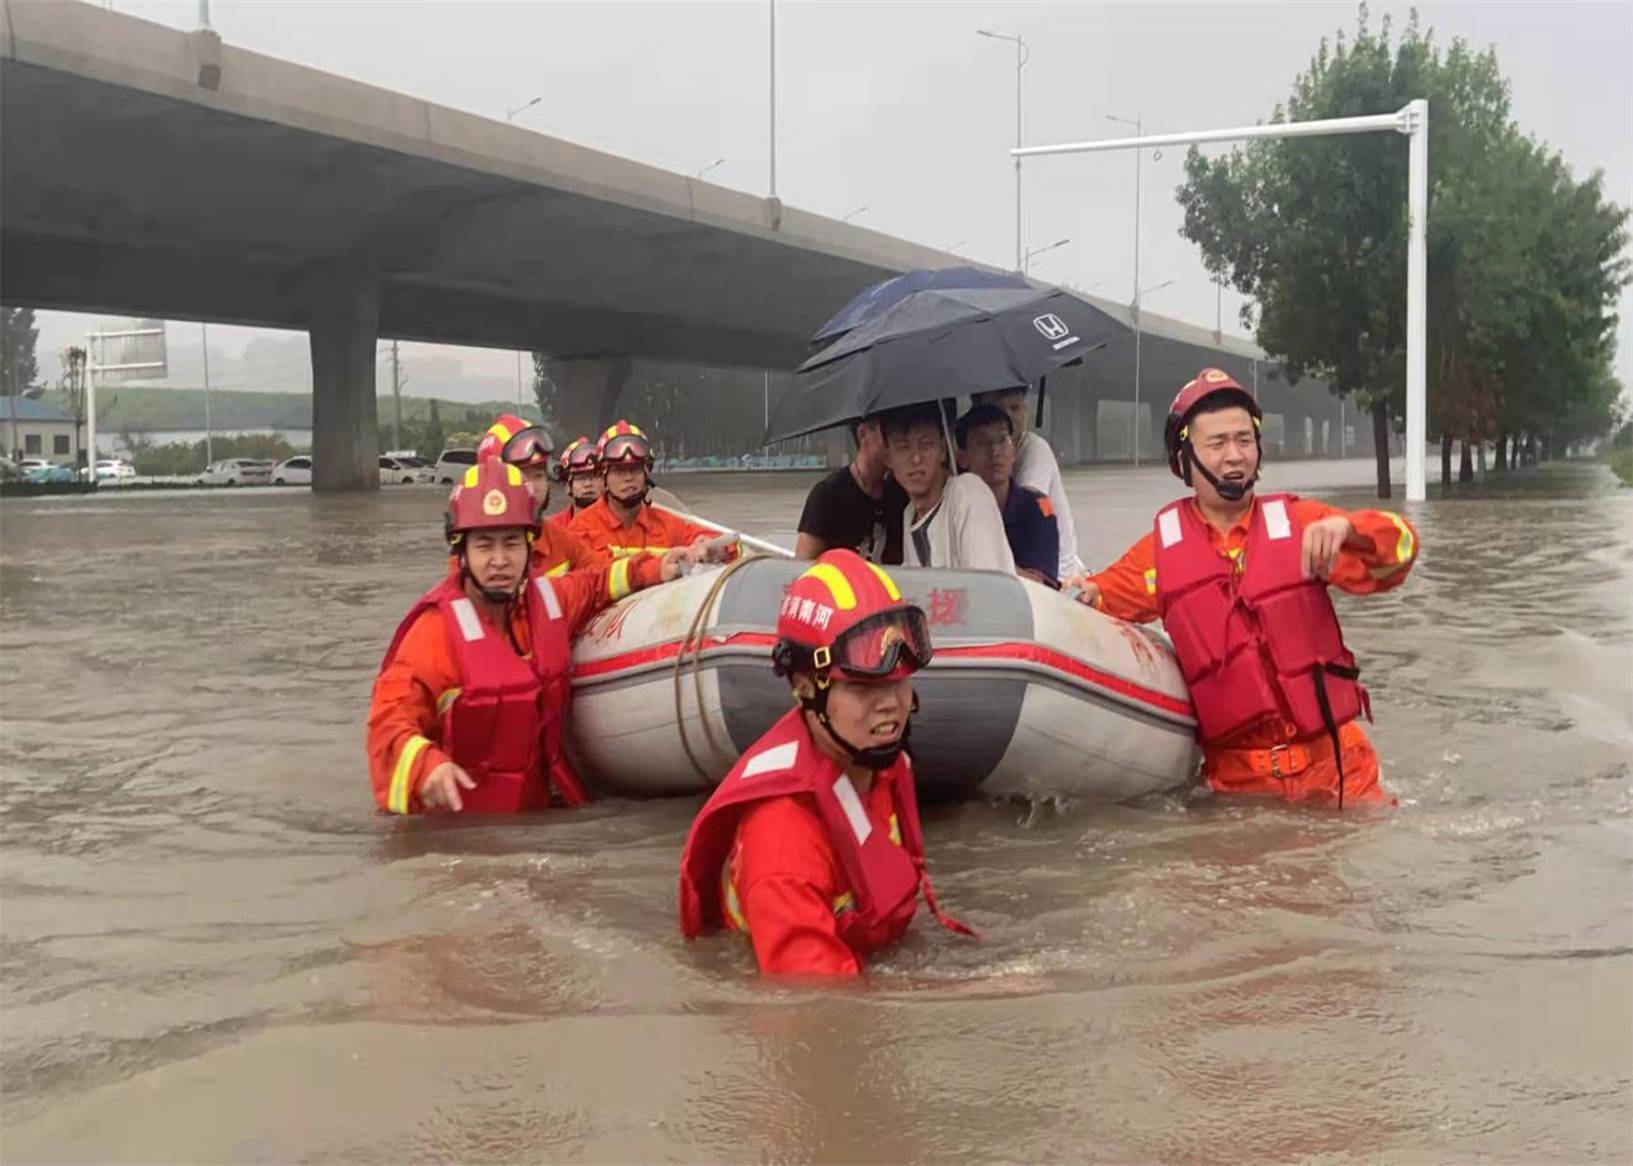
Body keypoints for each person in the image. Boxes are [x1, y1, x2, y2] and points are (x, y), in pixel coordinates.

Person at [1068, 368, 1420, 807]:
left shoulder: (1304, 524)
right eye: (1217, 444)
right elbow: (1094, 606)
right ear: (1184, 458)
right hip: (1237, 789)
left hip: (1339, 770)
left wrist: (1353, 530)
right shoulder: (1158, 555)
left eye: (1244, 440)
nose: (1234, 455)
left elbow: (1401, 550)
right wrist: (1074, 594)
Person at [679, 550, 973, 976]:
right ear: (806, 687)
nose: (891, 704)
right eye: (860, 687)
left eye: (899, 682)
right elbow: (817, 1008)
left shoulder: (876, 762)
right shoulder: (783, 841)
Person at [368, 458, 684, 814]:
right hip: (463, 827)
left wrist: (657, 567)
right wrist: (427, 765)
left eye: (512, 544)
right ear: (463, 552)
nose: (500, 560)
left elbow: (597, 583)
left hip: (538, 810)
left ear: (530, 547)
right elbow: (388, 721)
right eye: (485, 546)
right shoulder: (435, 632)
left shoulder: (548, 602)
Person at [879, 401, 1015, 574]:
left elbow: (989, 587)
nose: (915, 459)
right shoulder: (909, 513)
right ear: (888, 458)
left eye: (926, 444)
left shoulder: (969, 495)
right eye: (903, 448)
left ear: (943, 449)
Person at [569, 420, 730, 565]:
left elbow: (728, 543)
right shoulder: (582, 528)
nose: (628, 478)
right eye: (619, 471)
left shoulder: (669, 525)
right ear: (603, 474)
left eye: (635, 470)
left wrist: (713, 549)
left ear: (646, 473)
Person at [972, 388, 1086, 579]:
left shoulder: (1035, 450)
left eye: (1015, 409)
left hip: (1059, 577)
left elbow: (1021, 517)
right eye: (999, 410)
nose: (1010, 418)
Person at [473, 416, 591, 577]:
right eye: (520, 476)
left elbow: (600, 574)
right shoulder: (472, 556)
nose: (532, 487)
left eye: (538, 475)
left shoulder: (558, 538)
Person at [956, 404, 1059, 586]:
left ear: (1013, 451)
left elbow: (1038, 584)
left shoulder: (1037, 508)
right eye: (982, 443)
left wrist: (990, 556)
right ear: (962, 458)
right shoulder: (954, 509)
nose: (994, 452)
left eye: (1003, 440)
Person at [795, 415, 907, 564]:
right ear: (862, 434)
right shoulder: (828, 496)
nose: (895, 441)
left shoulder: (902, 492)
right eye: (887, 433)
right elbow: (803, 568)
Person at [548, 435, 603, 530]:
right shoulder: (553, 528)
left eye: (594, 476)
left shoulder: (623, 523)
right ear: (568, 486)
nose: (588, 484)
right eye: (580, 478)